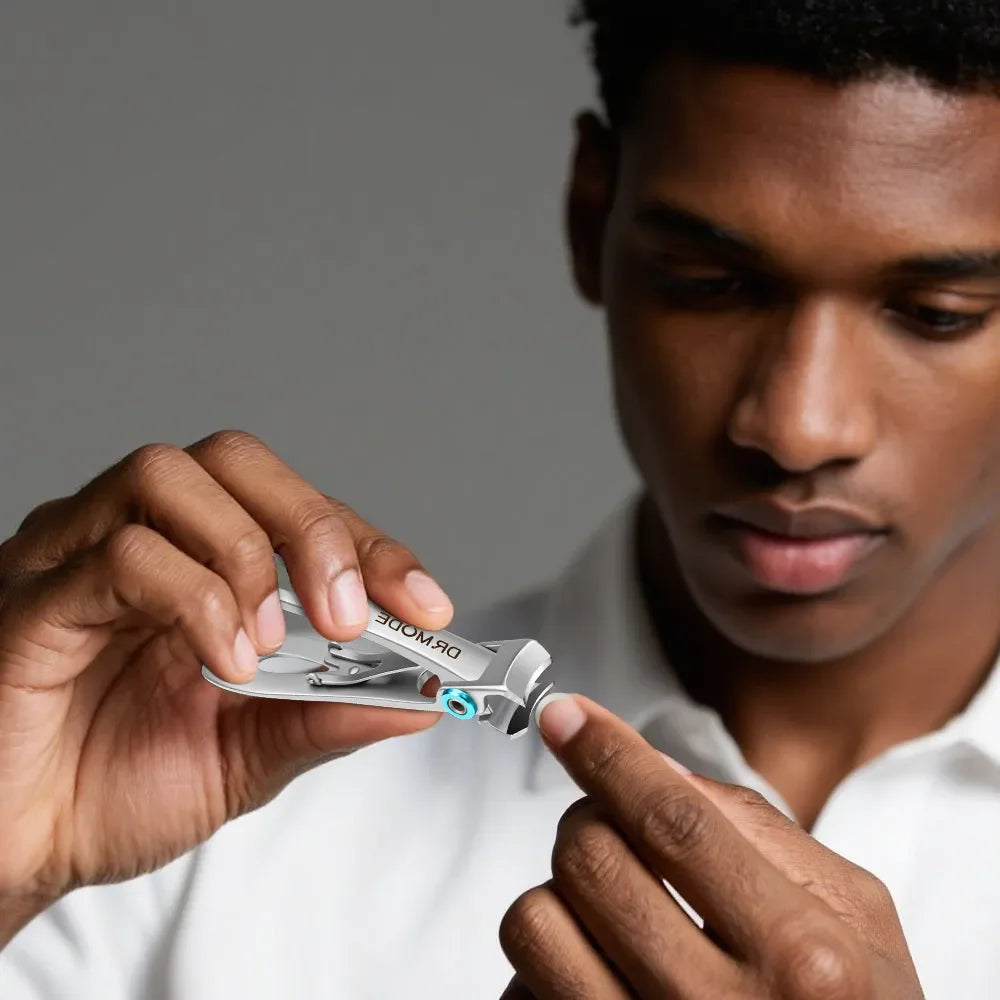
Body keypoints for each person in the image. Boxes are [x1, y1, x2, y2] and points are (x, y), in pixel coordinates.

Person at [4, 0, 1000, 995]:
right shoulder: (188, 788)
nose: (796, 427)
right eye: (707, 281)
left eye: (935, 313)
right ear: (587, 216)